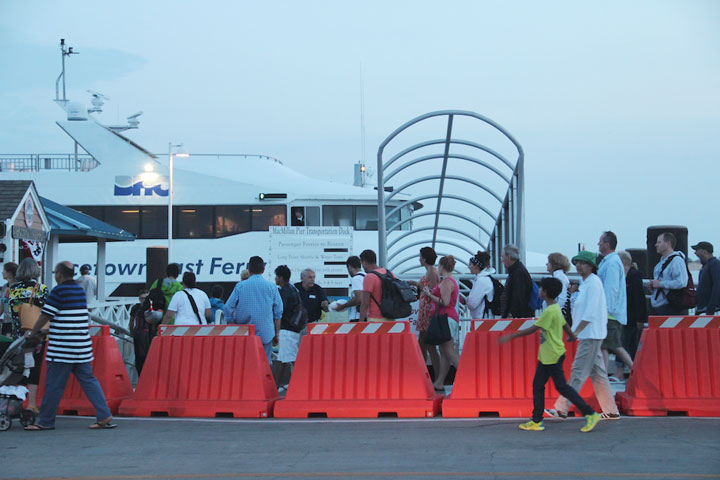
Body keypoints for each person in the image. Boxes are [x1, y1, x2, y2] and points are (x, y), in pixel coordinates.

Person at [499, 277, 600, 433]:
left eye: (540, 288)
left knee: (560, 387)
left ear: (545, 292)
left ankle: (589, 413)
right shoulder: (555, 309)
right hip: (549, 355)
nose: (539, 290)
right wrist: (572, 336)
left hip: (551, 356)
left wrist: (512, 336)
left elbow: (533, 328)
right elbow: (564, 324)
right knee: (539, 386)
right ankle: (537, 420)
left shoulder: (549, 312)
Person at [24, 261, 116, 431]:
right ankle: (104, 415)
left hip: (62, 349)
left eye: (55, 272)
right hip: (81, 347)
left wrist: (33, 332)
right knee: (89, 381)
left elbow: (45, 316)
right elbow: (69, 318)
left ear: (59, 273)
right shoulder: (79, 291)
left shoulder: (58, 291)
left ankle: (45, 421)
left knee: (54, 386)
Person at [547, 251, 620, 420]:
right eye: (577, 263)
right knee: (598, 374)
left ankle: (561, 408)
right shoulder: (586, 283)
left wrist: (576, 331)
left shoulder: (593, 283)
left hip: (590, 334)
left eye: (583, 263)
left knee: (578, 372)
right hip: (590, 333)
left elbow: (590, 312)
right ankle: (610, 409)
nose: (579, 266)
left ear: (591, 266)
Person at [224, 256, 283, 363]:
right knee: (265, 363)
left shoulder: (240, 286)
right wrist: (276, 333)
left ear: (249, 269)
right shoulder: (272, 287)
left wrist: (233, 324)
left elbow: (228, 307)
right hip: (266, 333)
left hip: (244, 333)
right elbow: (278, 312)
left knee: (245, 362)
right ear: (263, 269)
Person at [7, 258, 48, 412]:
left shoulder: (12, 289)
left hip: (18, 335)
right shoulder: (41, 289)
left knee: (18, 368)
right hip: (37, 336)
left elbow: (11, 312)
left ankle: (14, 403)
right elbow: (47, 311)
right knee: (34, 368)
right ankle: (31, 404)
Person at [596, 231, 632, 381]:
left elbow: (610, 289)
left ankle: (635, 368)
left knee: (614, 345)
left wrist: (605, 311)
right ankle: (602, 377)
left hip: (610, 313)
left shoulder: (611, 263)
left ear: (607, 244)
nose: (598, 244)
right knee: (605, 345)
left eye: (600, 241)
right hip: (610, 312)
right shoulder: (610, 262)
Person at [422, 255, 461, 392]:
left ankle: (467, 376)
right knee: (445, 352)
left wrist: (429, 294)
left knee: (449, 351)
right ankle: (439, 382)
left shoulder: (446, 282)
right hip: (448, 318)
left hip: (445, 317)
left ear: (442, 267)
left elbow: (444, 302)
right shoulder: (451, 281)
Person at [407, 247, 441, 378]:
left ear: (425, 258)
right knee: (424, 343)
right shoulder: (431, 271)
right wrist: (417, 284)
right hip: (425, 309)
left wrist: (419, 285)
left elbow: (433, 291)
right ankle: (426, 374)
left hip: (428, 310)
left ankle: (434, 376)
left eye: (420, 256)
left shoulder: (432, 271)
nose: (419, 259)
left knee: (428, 344)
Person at [275, 265, 302, 392]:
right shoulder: (293, 289)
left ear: (281, 277)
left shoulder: (284, 292)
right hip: (294, 328)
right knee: (289, 358)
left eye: (276, 276)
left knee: (286, 359)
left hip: (287, 329)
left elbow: (281, 311)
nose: (275, 278)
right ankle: (295, 384)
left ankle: (275, 386)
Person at [649, 232, 689, 315]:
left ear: (668, 244)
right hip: (659, 306)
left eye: (659, 242)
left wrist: (660, 284)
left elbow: (681, 282)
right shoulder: (659, 264)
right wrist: (653, 286)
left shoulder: (677, 261)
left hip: (670, 306)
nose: (656, 245)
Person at [618, 251, 647, 359]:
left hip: (632, 316)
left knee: (630, 342)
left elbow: (639, 298)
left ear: (623, 262)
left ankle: (630, 366)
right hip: (625, 316)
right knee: (625, 342)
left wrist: (640, 319)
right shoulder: (624, 276)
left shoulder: (634, 276)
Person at [358, 249, 395, 322]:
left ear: (364, 262)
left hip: (375, 319)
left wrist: (360, 323)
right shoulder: (389, 273)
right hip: (390, 317)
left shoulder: (369, 277)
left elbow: (365, 303)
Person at [500, 244, 534, 318]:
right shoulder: (518, 271)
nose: (501, 260)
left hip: (518, 318)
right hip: (521, 316)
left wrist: (512, 314)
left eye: (502, 256)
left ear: (509, 257)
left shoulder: (518, 273)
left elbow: (518, 296)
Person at [693, 241, 720, 315]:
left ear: (704, 251)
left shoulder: (715, 264)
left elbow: (717, 286)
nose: (695, 253)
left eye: (697, 250)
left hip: (710, 309)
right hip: (704, 309)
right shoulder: (707, 266)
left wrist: (711, 308)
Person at [128, 289, 151, 375]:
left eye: (145, 298)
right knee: (139, 357)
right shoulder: (135, 307)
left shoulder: (151, 307)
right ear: (139, 298)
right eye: (142, 298)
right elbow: (131, 321)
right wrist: (132, 332)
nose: (144, 300)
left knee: (146, 356)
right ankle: (141, 375)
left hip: (148, 334)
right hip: (139, 333)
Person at [466, 251, 495, 318]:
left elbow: (472, 303)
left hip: (482, 319)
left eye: (470, 264)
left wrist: (467, 299)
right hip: (486, 317)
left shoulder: (481, 281)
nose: (469, 267)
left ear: (476, 266)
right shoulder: (486, 279)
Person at [335, 256, 365, 322]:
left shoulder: (356, 279)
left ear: (349, 267)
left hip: (357, 317)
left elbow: (358, 298)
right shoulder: (366, 276)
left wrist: (343, 306)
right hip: (366, 316)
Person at [1, 262, 18, 336]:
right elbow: (2, 304)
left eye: (4, 270)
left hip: (15, 322)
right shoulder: (5, 287)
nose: (2, 272)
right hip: (6, 321)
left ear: (10, 272)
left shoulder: (18, 287)